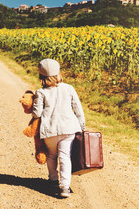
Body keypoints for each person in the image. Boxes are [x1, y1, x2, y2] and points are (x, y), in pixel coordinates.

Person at [32, 58, 85, 198]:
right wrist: (81, 126)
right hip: (68, 128)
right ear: (58, 73)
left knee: (51, 155)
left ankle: (53, 180)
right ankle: (65, 187)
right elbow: (78, 109)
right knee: (65, 156)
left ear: (41, 76)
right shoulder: (69, 88)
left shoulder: (40, 92)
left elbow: (37, 113)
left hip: (50, 130)